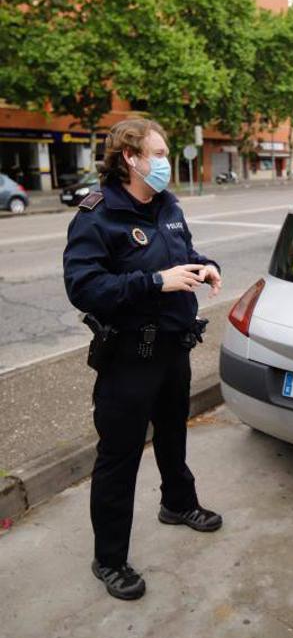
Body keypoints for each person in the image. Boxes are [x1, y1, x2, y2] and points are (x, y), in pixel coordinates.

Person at [63, 117, 223, 601]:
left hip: (174, 347)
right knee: (119, 458)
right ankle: (109, 558)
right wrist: (154, 282)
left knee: (174, 436)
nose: (165, 162)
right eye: (157, 153)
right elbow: (83, 288)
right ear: (130, 158)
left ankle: (178, 504)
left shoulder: (168, 205)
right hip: (129, 357)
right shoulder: (97, 214)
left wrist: (205, 265)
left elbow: (183, 252)